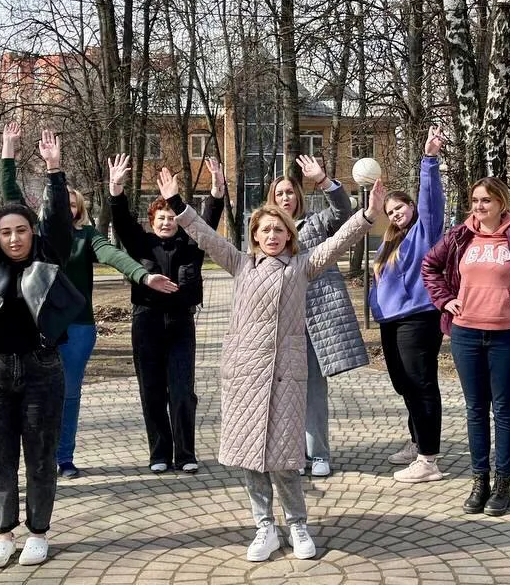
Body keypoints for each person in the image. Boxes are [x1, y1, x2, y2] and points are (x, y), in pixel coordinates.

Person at [156, 166, 385, 562]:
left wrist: (367, 215)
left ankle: (297, 524)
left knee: (283, 457)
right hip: (245, 375)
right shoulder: (241, 263)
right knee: (250, 455)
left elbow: (339, 242)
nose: (273, 236)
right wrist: (177, 202)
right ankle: (264, 525)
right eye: (265, 231)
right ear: (255, 236)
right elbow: (204, 236)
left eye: (279, 231)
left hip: (285, 375)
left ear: (289, 235)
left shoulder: (302, 266)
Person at [0, 122, 178, 479]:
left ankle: (63, 458)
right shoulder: (39, 239)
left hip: (78, 329)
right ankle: (37, 459)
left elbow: (114, 254)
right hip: (36, 329)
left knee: (68, 395)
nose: (66, 206)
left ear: (78, 208)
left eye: (71, 202)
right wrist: (8, 153)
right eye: (58, 201)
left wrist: (143, 275)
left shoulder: (87, 236)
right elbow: (11, 196)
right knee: (34, 397)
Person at [0, 129, 84, 569]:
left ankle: (39, 532)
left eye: (21, 230)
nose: (14, 238)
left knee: (41, 456)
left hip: (43, 369)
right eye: (5, 232)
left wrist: (55, 171)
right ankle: (3, 534)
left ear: (31, 232)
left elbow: (58, 220)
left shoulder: (47, 256)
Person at [421, 172, 510, 517]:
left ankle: (503, 485)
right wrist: (445, 300)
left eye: (486, 200)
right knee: (475, 411)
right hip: (466, 334)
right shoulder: (460, 236)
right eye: (475, 201)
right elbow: (429, 265)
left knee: (503, 410)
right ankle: (480, 482)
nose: (479, 206)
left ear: (501, 202)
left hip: (508, 334)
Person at [107, 152, 226, 473]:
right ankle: (159, 453)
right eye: (161, 217)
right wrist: (116, 190)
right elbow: (121, 223)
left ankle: (186, 454)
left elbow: (208, 222)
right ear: (152, 220)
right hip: (146, 322)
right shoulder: (141, 244)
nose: (166, 221)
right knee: (152, 390)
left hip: (180, 324)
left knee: (183, 390)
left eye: (171, 216)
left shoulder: (191, 243)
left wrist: (217, 190)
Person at [267, 155, 367, 477]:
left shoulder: (315, 225)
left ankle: (319, 454)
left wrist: (323, 180)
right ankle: (293, 452)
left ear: (298, 197)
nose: (285, 198)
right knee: (284, 393)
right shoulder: (267, 233)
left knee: (313, 391)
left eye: (290, 192)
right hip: (279, 326)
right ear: (273, 199)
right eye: (280, 193)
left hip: (312, 322)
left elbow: (343, 213)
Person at [369, 126, 450, 484]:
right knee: (404, 383)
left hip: (418, 319)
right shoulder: (389, 243)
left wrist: (429, 159)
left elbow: (433, 202)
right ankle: (417, 440)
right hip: (391, 322)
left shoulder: (425, 232)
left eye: (400, 206)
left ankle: (428, 460)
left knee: (421, 383)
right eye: (390, 210)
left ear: (412, 207)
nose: (395, 212)